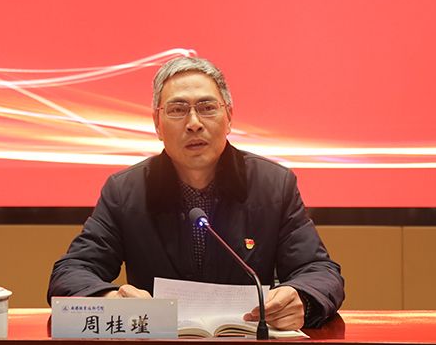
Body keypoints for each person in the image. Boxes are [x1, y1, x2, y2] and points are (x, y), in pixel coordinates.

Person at [47, 57, 344, 329]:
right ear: (157, 124)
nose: (193, 123)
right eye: (178, 110)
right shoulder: (126, 191)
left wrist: (301, 298)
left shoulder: (273, 186)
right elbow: (71, 271)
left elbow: (320, 271)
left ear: (229, 117)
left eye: (207, 107)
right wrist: (111, 300)